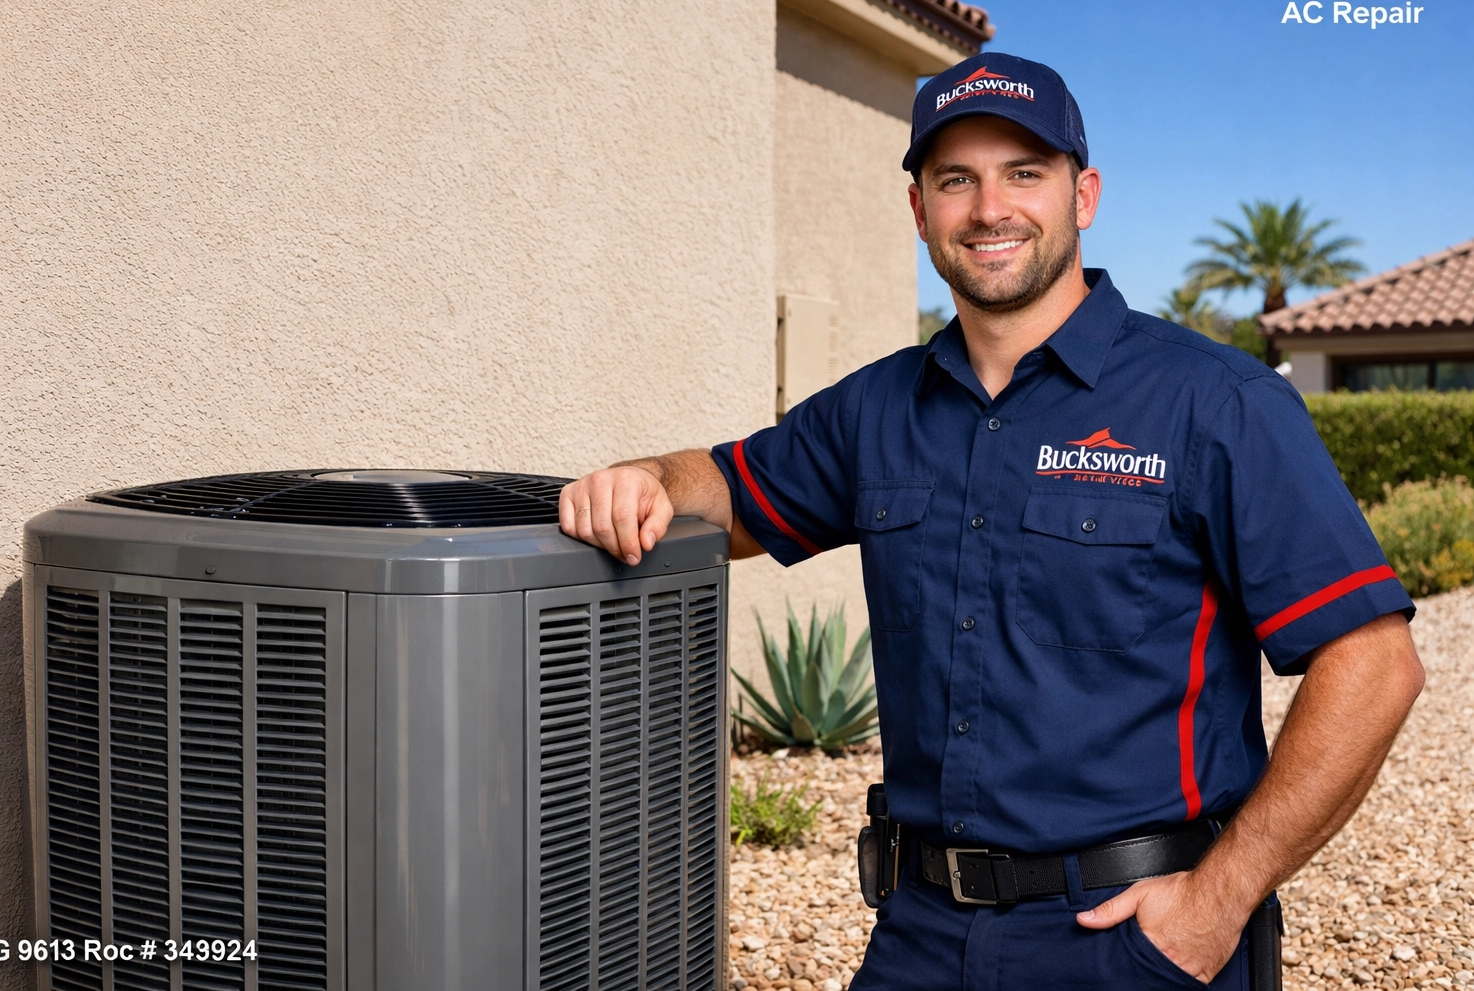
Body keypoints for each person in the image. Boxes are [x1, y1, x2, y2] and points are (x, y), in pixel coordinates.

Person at [558, 52, 1423, 989]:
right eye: (955, 180)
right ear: (919, 208)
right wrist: (650, 477)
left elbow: (1373, 664)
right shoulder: (874, 410)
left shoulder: (1215, 403)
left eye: (1024, 173)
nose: (989, 208)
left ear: (1083, 196)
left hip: (1130, 941)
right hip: (920, 935)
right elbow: (730, 493)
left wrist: (1218, 901)